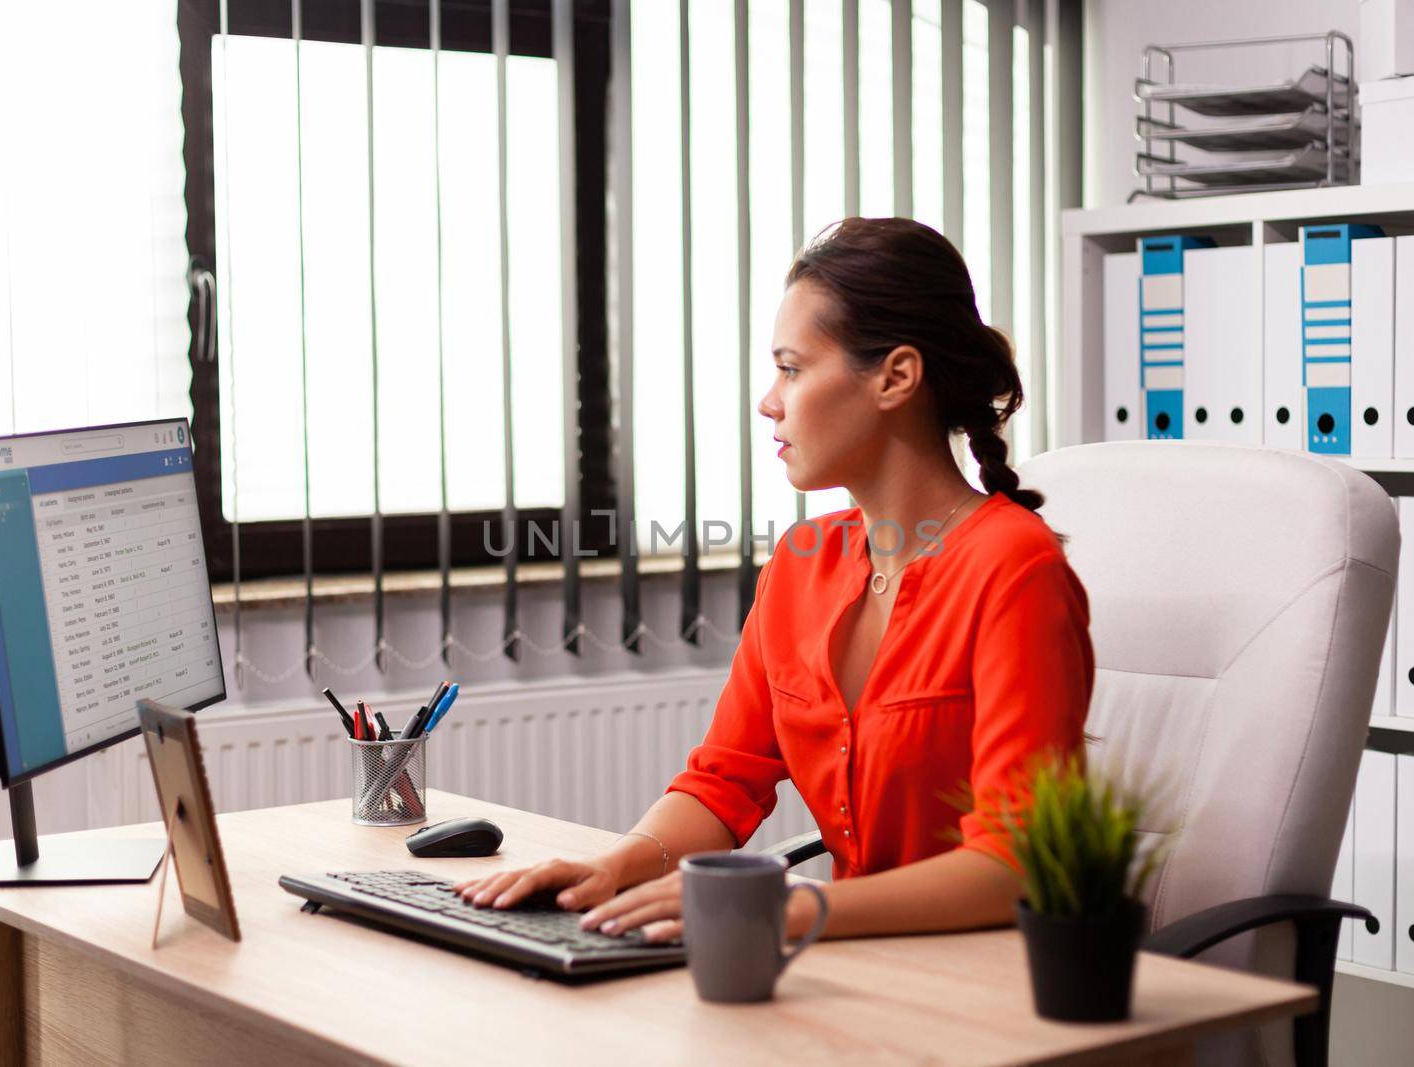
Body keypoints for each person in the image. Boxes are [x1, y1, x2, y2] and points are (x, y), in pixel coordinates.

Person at [453, 217, 1094, 944]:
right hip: (849, 964)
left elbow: (1015, 863)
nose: (770, 400)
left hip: (983, 983)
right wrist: (614, 866)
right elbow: (724, 782)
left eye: (791, 368)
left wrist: (796, 907)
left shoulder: (1015, 567)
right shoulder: (802, 561)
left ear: (896, 376)